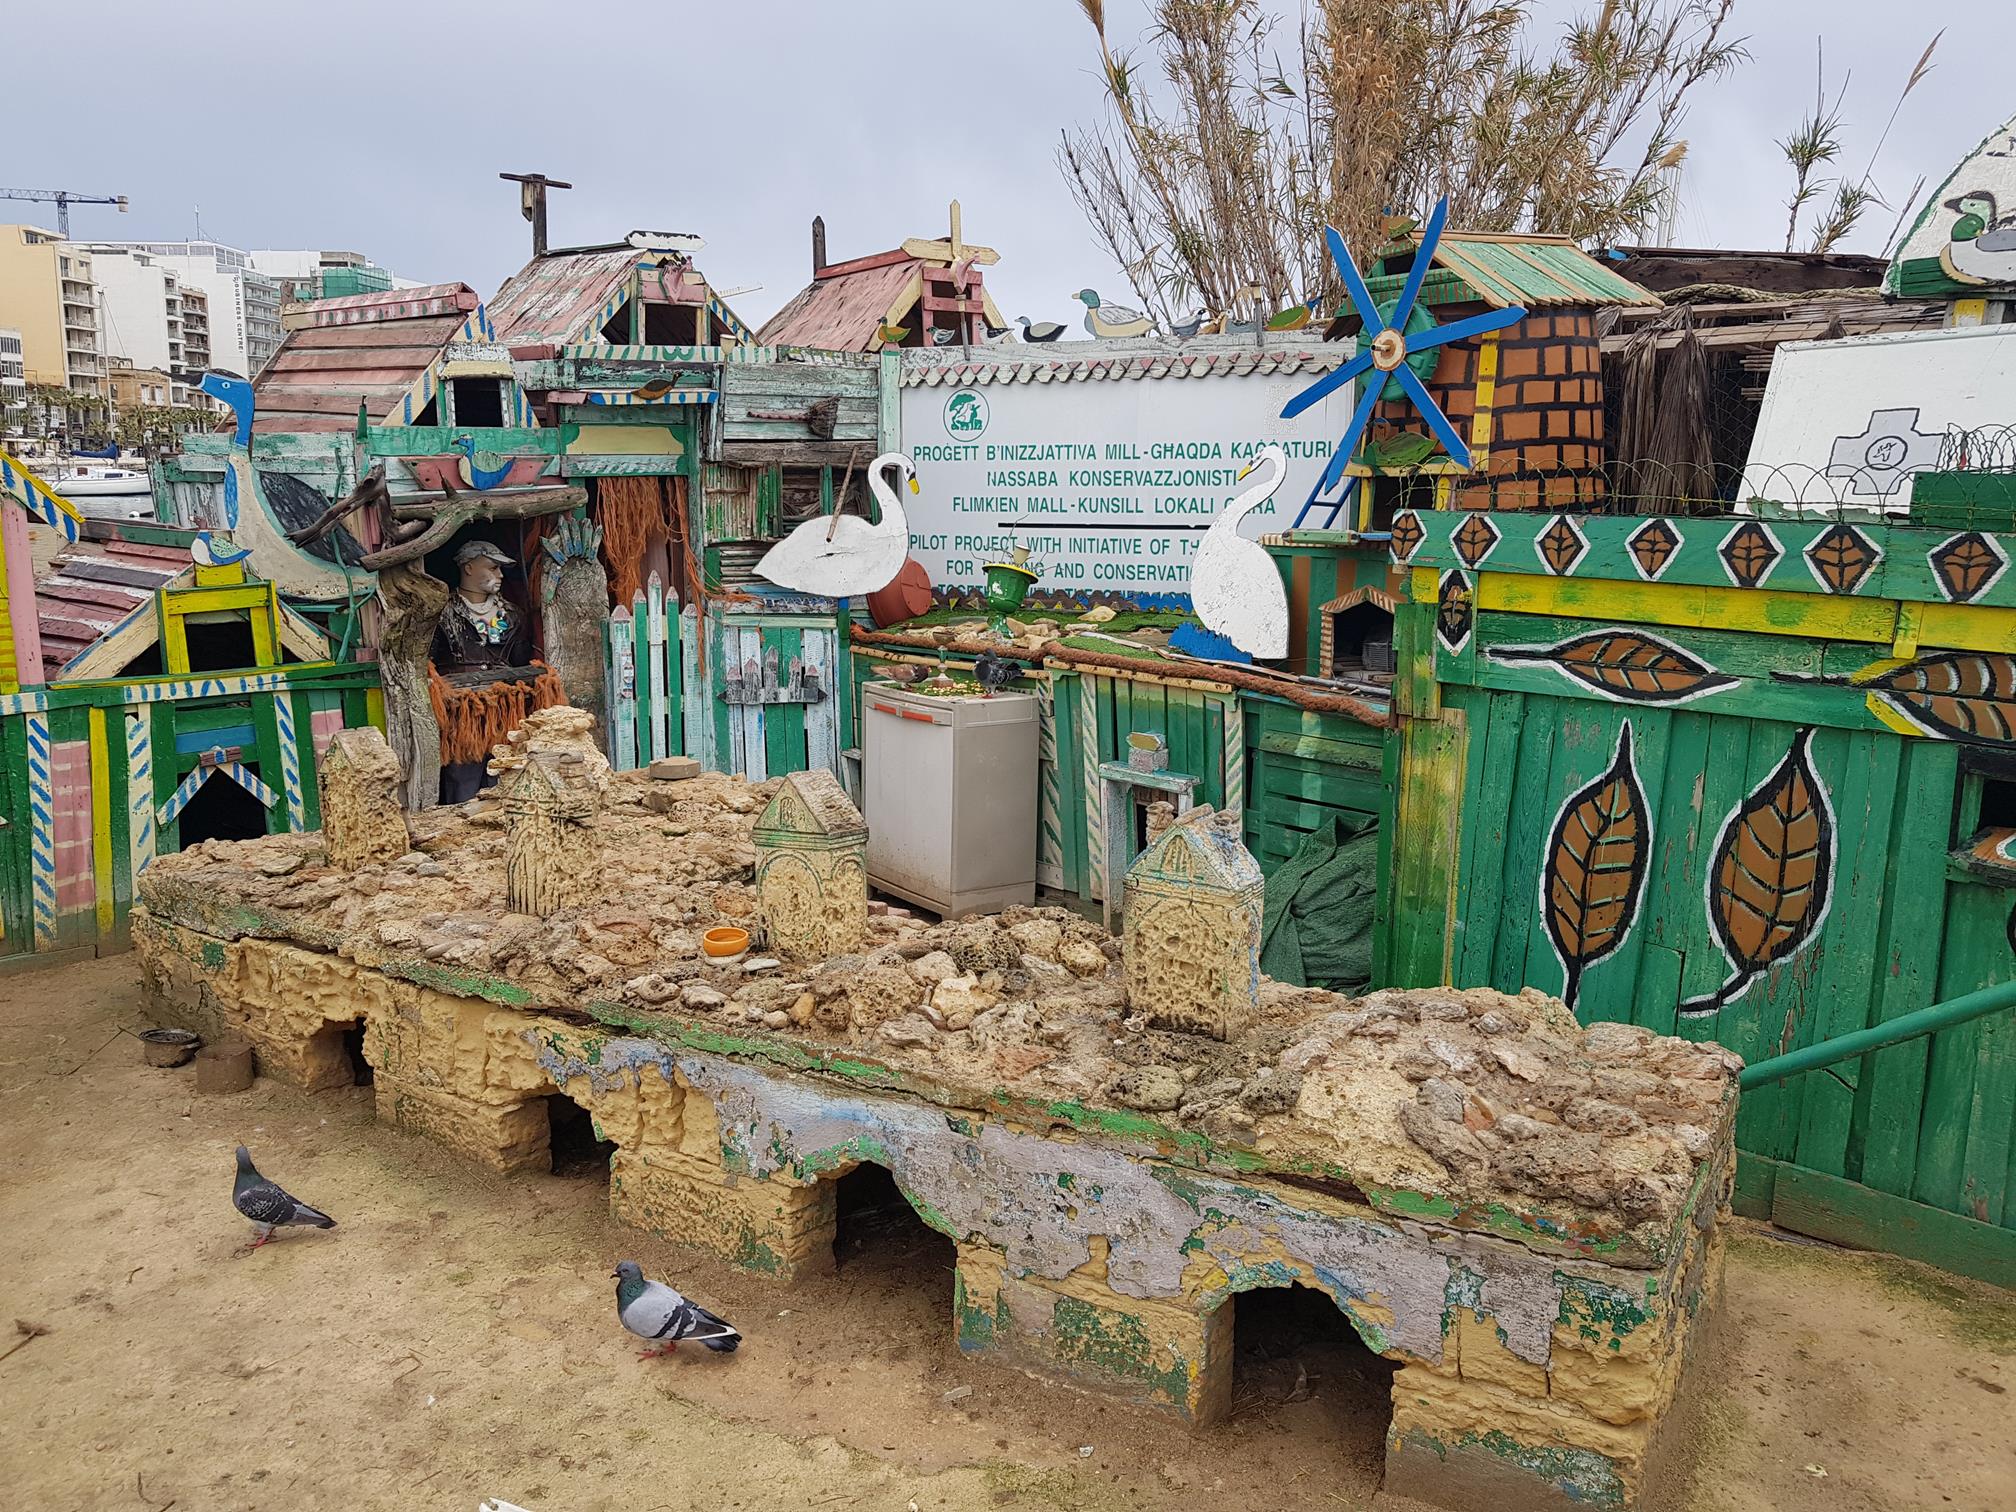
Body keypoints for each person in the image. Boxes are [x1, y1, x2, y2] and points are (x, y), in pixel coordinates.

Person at [432, 539, 530, 801]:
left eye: (500, 569)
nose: (500, 575)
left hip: (503, 709)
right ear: (469, 567)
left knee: (503, 771)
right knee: (462, 777)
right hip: (461, 710)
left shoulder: (513, 614)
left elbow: (521, 661)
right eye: (493, 567)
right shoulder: (440, 613)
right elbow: (428, 663)